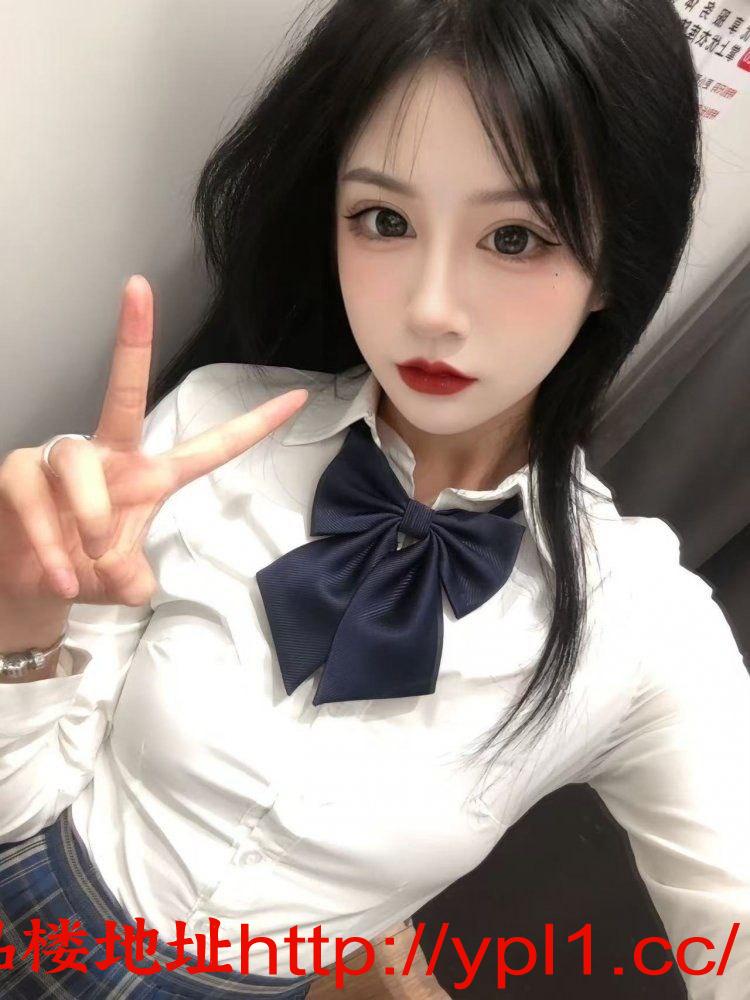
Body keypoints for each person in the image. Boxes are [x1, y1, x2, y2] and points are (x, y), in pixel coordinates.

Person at [0, 1, 747, 998]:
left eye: (516, 236)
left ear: (614, 263)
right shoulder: (210, 424)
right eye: (384, 221)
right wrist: (22, 620)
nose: (430, 309)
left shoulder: (641, 623)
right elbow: (23, 799)